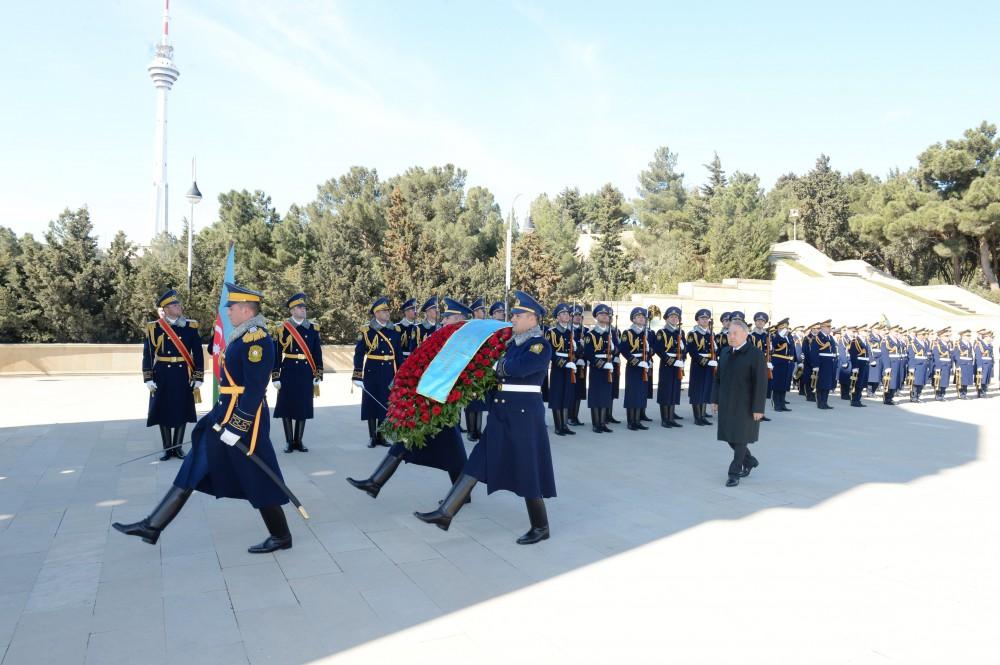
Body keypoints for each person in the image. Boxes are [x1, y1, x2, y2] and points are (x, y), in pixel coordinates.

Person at [115, 282, 293, 553]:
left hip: (246, 419)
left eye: (231, 307)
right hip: (226, 413)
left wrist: (238, 424)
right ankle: (153, 525)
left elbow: (255, 389)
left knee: (258, 474)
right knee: (195, 463)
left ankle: (281, 536)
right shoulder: (242, 334)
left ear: (246, 309)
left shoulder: (257, 339)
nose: (228, 312)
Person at [414, 290, 556, 545]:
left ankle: (541, 526)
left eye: (518, 315)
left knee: (527, 469)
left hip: (523, 416)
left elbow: (516, 369)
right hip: (502, 412)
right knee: (477, 461)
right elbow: (500, 370)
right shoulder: (514, 344)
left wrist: (495, 367)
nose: (512, 318)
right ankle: (446, 513)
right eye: (513, 314)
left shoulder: (539, 346)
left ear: (533, 319)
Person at [346, 299, 471, 499]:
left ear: (460, 319)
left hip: (442, 402)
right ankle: (375, 482)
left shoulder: (462, 340)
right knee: (409, 440)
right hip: (430, 399)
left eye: (448, 317)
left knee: (452, 449)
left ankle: (462, 493)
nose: (444, 319)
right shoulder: (447, 336)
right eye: (445, 316)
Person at [142, 289, 204, 461]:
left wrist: (198, 377)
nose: (179, 307)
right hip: (161, 373)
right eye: (174, 305)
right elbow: (147, 354)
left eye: (178, 304)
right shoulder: (154, 327)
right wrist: (148, 378)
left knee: (181, 409)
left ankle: (177, 448)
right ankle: (167, 448)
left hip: (183, 373)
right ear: (166, 308)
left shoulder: (190, 326)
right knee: (162, 409)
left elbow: (198, 353)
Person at [710, 317, 767, 487]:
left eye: (735, 333)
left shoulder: (755, 354)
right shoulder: (726, 352)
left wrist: (758, 408)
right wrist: (715, 399)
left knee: (741, 438)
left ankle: (734, 473)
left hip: (746, 404)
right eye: (729, 333)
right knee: (729, 436)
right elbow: (718, 378)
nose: (731, 336)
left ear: (745, 334)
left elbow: (761, 383)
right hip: (727, 402)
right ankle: (749, 461)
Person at [272, 292, 323, 453]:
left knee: (303, 405)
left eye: (304, 307)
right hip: (288, 370)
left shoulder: (313, 328)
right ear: (292, 310)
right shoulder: (282, 329)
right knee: (286, 406)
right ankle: (289, 441)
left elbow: (317, 353)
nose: (303, 310)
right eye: (300, 308)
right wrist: (275, 375)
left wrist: (318, 374)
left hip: (306, 371)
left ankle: (298, 441)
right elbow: (277, 353)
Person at [353, 297, 403, 448]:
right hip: (372, 370)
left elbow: (398, 354)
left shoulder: (394, 330)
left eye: (388, 311)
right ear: (376, 313)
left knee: (384, 403)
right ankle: (372, 436)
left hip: (388, 371)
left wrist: (402, 374)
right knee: (371, 404)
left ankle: (382, 436)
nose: (387, 313)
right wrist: (357, 375)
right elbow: (359, 353)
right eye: (384, 311)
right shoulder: (367, 331)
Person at [582, 303, 616, 433]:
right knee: (596, 395)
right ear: (596, 316)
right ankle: (596, 423)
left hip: (608, 367)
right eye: (602, 314)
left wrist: (613, 350)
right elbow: (588, 353)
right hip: (597, 368)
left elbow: (617, 349)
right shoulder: (591, 335)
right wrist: (601, 363)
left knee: (605, 395)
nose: (605, 316)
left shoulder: (611, 333)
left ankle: (602, 423)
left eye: (607, 314)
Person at [546, 303, 578, 436]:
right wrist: (563, 363)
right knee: (557, 396)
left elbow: (574, 351)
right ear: (558, 317)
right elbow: (550, 352)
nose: (567, 316)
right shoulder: (552, 332)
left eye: (568, 314)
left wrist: (575, 356)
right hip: (558, 368)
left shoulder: (571, 332)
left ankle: (565, 425)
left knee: (567, 395)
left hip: (570, 366)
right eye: (563, 314)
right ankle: (558, 426)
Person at [619, 307, 654, 430]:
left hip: (645, 365)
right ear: (633, 319)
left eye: (643, 317)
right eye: (639, 317)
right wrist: (636, 362)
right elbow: (624, 350)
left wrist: (648, 360)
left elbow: (651, 349)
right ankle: (631, 421)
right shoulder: (628, 333)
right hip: (634, 366)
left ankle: (638, 420)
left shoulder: (648, 333)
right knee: (632, 393)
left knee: (641, 393)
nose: (642, 319)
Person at [653, 306, 685, 428]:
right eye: (671, 317)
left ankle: (671, 418)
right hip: (667, 365)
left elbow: (685, 348)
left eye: (676, 317)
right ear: (666, 318)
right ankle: (665, 419)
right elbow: (659, 349)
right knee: (665, 391)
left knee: (674, 390)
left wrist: (682, 355)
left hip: (678, 364)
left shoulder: (680, 332)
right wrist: (671, 361)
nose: (674, 319)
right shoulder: (662, 332)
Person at [686, 309, 717, 426]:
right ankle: (697, 417)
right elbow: (692, 351)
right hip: (698, 365)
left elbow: (715, 349)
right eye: (702, 318)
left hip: (710, 364)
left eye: (706, 318)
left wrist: (714, 360)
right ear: (697, 320)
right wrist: (705, 361)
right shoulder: (693, 334)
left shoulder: (711, 334)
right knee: (697, 390)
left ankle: (703, 415)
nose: (705, 320)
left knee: (706, 389)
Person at [807, 320, 838, 409]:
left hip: (830, 362)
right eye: (828, 327)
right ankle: (820, 402)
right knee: (821, 384)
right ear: (823, 327)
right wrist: (815, 365)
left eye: (830, 327)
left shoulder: (830, 337)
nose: (830, 329)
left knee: (828, 384)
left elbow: (833, 350)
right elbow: (814, 352)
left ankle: (825, 402)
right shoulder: (818, 338)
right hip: (822, 363)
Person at [768, 318, 796, 412]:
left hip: (788, 363)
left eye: (787, 328)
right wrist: (780, 334)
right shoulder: (776, 337)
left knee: (785, 384)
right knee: (777, 384)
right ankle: (776, 404)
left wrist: (794, 360)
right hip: (779, 362)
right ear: (779, 329)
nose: (786, 330)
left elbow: (792, 349)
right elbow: (775, 345)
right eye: (784, 328)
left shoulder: (789, 337)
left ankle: (782, 404)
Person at [569, 305, 588, 426]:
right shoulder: (568, 330)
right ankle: (569, 416)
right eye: (575, 315)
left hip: (582, 365)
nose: (577, 317)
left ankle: (575, 416)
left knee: (579, 392)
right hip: (572, 364)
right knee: (571, 391)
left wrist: (584, 357)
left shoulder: (585, 331)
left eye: (579, 316)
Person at [880, 326, 906, 405]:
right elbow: (885, 354)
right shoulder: (886, 340)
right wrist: (887, 366)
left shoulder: (897, 340)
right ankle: (887, 398)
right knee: (889, 381)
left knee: (895, 381)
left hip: (897, 362)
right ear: (891, 331)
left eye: (897, 332)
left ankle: (891, 397)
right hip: (891, 363)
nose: (897, 333)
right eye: (895, 332)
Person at [846, 324, 870, 407]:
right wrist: (855, 367)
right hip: (859, 363)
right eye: (865, 331)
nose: (867, 333)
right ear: (860, 331)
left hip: (865, 363)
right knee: (856, 383)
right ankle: (854, 400)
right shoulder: (855, 341)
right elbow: (853, 354)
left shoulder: (865, 341)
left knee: (862, 383)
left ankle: (858, 399)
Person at [906, 328, 930, 403]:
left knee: (922, 382)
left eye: (924, 335)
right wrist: (911, 367)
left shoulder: (925, 343)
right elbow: (911, 356)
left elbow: (928, 355)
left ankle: (918, 396)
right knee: (916, 382)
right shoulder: (913, 343)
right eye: (922, 335)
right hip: (917, 365)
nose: (924, 336)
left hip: (924, 365)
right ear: (918, 335)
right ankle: (913, 397)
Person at [930, 328, 954, 400]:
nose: (948, 338)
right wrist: (938, 367)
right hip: (941, 365)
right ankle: (938, 394)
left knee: (945, 381)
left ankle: (943, 394)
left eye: (948, 336)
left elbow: (951, 356)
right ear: (941, 336)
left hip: (947, 365)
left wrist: (951, 365)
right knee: (939, 381)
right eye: (946, 336)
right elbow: (936, 357)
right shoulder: (937, 345)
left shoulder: (949, 345)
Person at [954, 330, 975, 399]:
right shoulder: (958, 343)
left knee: (966, 380)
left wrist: (971, 361)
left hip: (968, 364)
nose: (969, 337)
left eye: (969, 336)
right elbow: (956, 355)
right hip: (962, 364)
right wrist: (958, 365)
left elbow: (971, 354)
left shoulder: (969, 344)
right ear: (962, 336)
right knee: (961, 380)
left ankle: (964, 393)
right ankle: (961, 393)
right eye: (967, 336)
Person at [975, 330, 994, 397]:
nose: (991, 338)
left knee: (987, 378)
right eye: (990, 337)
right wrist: (979, 366)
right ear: (985, 337)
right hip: (983, 363)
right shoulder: (980, 344)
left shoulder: (990, 345)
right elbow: (978, 356)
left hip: (988, 363)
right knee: (982, 379)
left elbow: (991, 355)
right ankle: (981, 392)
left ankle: (984, 391)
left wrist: (992, 363)